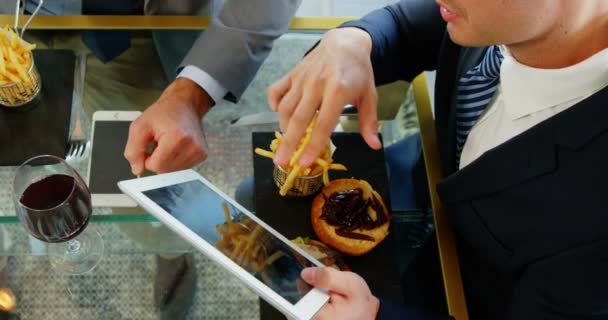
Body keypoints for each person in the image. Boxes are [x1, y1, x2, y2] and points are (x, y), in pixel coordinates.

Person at [267, 0, 608, 319]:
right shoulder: (500, 19)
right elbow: (414, 27)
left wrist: (374, 316)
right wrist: (356, 39)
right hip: (425, 179)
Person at [124, 0, 301, 175]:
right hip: (104, 36)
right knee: (132, 163)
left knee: (165, 156)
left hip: (201, 23)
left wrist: (190, 94)